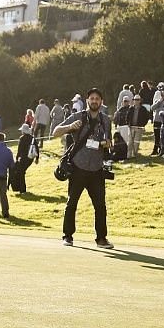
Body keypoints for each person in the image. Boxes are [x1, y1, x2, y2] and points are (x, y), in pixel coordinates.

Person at [51, 87, 113, 249]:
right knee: (72, 203)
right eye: (92, 98)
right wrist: (70, 126)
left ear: (101, 102)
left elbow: (109, 142)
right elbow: (55, 132)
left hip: (97, 168)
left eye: (97, 99)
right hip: (78, 167)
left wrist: (107, 144)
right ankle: (68, 236)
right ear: (87, 101)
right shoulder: (78, 116)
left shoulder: (106, 120)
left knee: (100, 206)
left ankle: (101, 238)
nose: (94, 101)